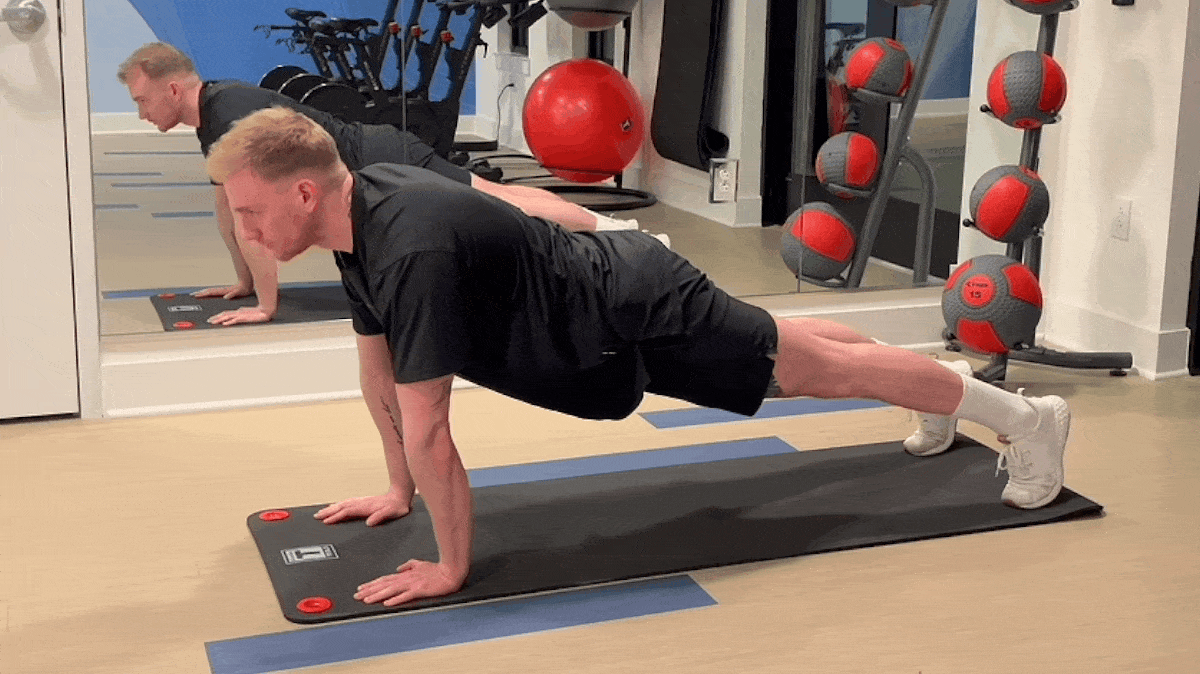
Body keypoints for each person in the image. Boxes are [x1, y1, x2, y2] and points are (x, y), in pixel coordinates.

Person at [208, 107, 1072, 608]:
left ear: (306, 191)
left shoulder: (409, 251)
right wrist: (396, 491)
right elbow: (379, 371)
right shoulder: (360, 224)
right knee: (795, 352)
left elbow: (429, 421)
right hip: (610, 304)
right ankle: (936, 393)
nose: (245, 234)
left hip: (634, 309)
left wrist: (450, 566)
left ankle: (1025, 420)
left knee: (803, 371)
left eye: (249, 214)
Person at [117, 42, 645, 327]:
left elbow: (252, 219)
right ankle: (611, 229)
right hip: (370, 162)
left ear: (171, 88)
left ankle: (615, 231)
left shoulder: (227, 113)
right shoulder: (212, 114)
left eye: (142, 102)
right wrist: (245, 284)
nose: (140, 113)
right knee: (496, 200)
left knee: (499, 200)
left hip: (384, 159)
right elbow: (229, 211)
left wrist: (266, 306)